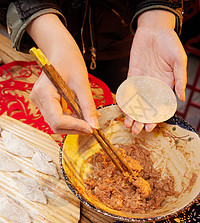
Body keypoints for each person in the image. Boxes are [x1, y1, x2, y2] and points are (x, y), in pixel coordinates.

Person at [0, 1, 189, 135]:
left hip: (127, 42)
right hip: (50, 38)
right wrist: (52, 38)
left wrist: (157, 18)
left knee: (127, 112)